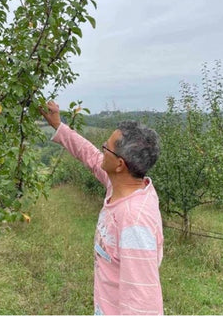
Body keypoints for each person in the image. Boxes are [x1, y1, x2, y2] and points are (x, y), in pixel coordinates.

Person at [40, 100, 164, 315]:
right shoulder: (120, 185)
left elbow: (143, 301)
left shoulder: (134, 221)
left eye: (106, 147)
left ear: (119, 165)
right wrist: (59, 126)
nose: (101, 149)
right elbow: (89, 155)